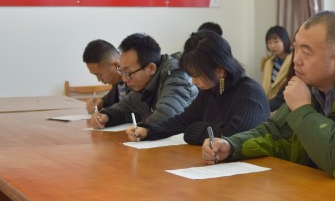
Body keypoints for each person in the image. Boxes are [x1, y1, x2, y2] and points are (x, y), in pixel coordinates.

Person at [203, 11, 335, 195]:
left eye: (306, 52)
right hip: (328, 195)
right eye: (296, 48)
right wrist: (232, 145)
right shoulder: (315, 84)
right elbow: (276, 132)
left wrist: (303, 110)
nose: (296, 60)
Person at [126, 31, 269, 144]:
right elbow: (182, 121)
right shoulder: (211, 90)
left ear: (220, 71)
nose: (193, 82)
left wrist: (192, 130)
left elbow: (232, 137)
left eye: (196, 75)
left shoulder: (250, 94)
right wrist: (148, 131)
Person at [89, 33, 198, 128]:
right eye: (122, 72)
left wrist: (141, 128)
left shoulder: (176, 76)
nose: (124, 79)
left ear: (151, 68)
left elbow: (168, 116)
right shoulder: (144, 83)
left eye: (128, 73)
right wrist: (105, 115)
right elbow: (126, 106)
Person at [82, 39, 128, 114]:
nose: (99, 80)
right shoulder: (118, 84)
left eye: (99, 74)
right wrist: (100, 102)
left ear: (116, 65)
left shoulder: (134, 84)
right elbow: (109, 99)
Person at [261, 25, 293, 100]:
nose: (272, 46)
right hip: (268, 102)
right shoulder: (268, 63)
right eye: (269, 42)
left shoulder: (293, 60)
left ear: (285, 40)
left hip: (285, 101)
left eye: (276, 42)